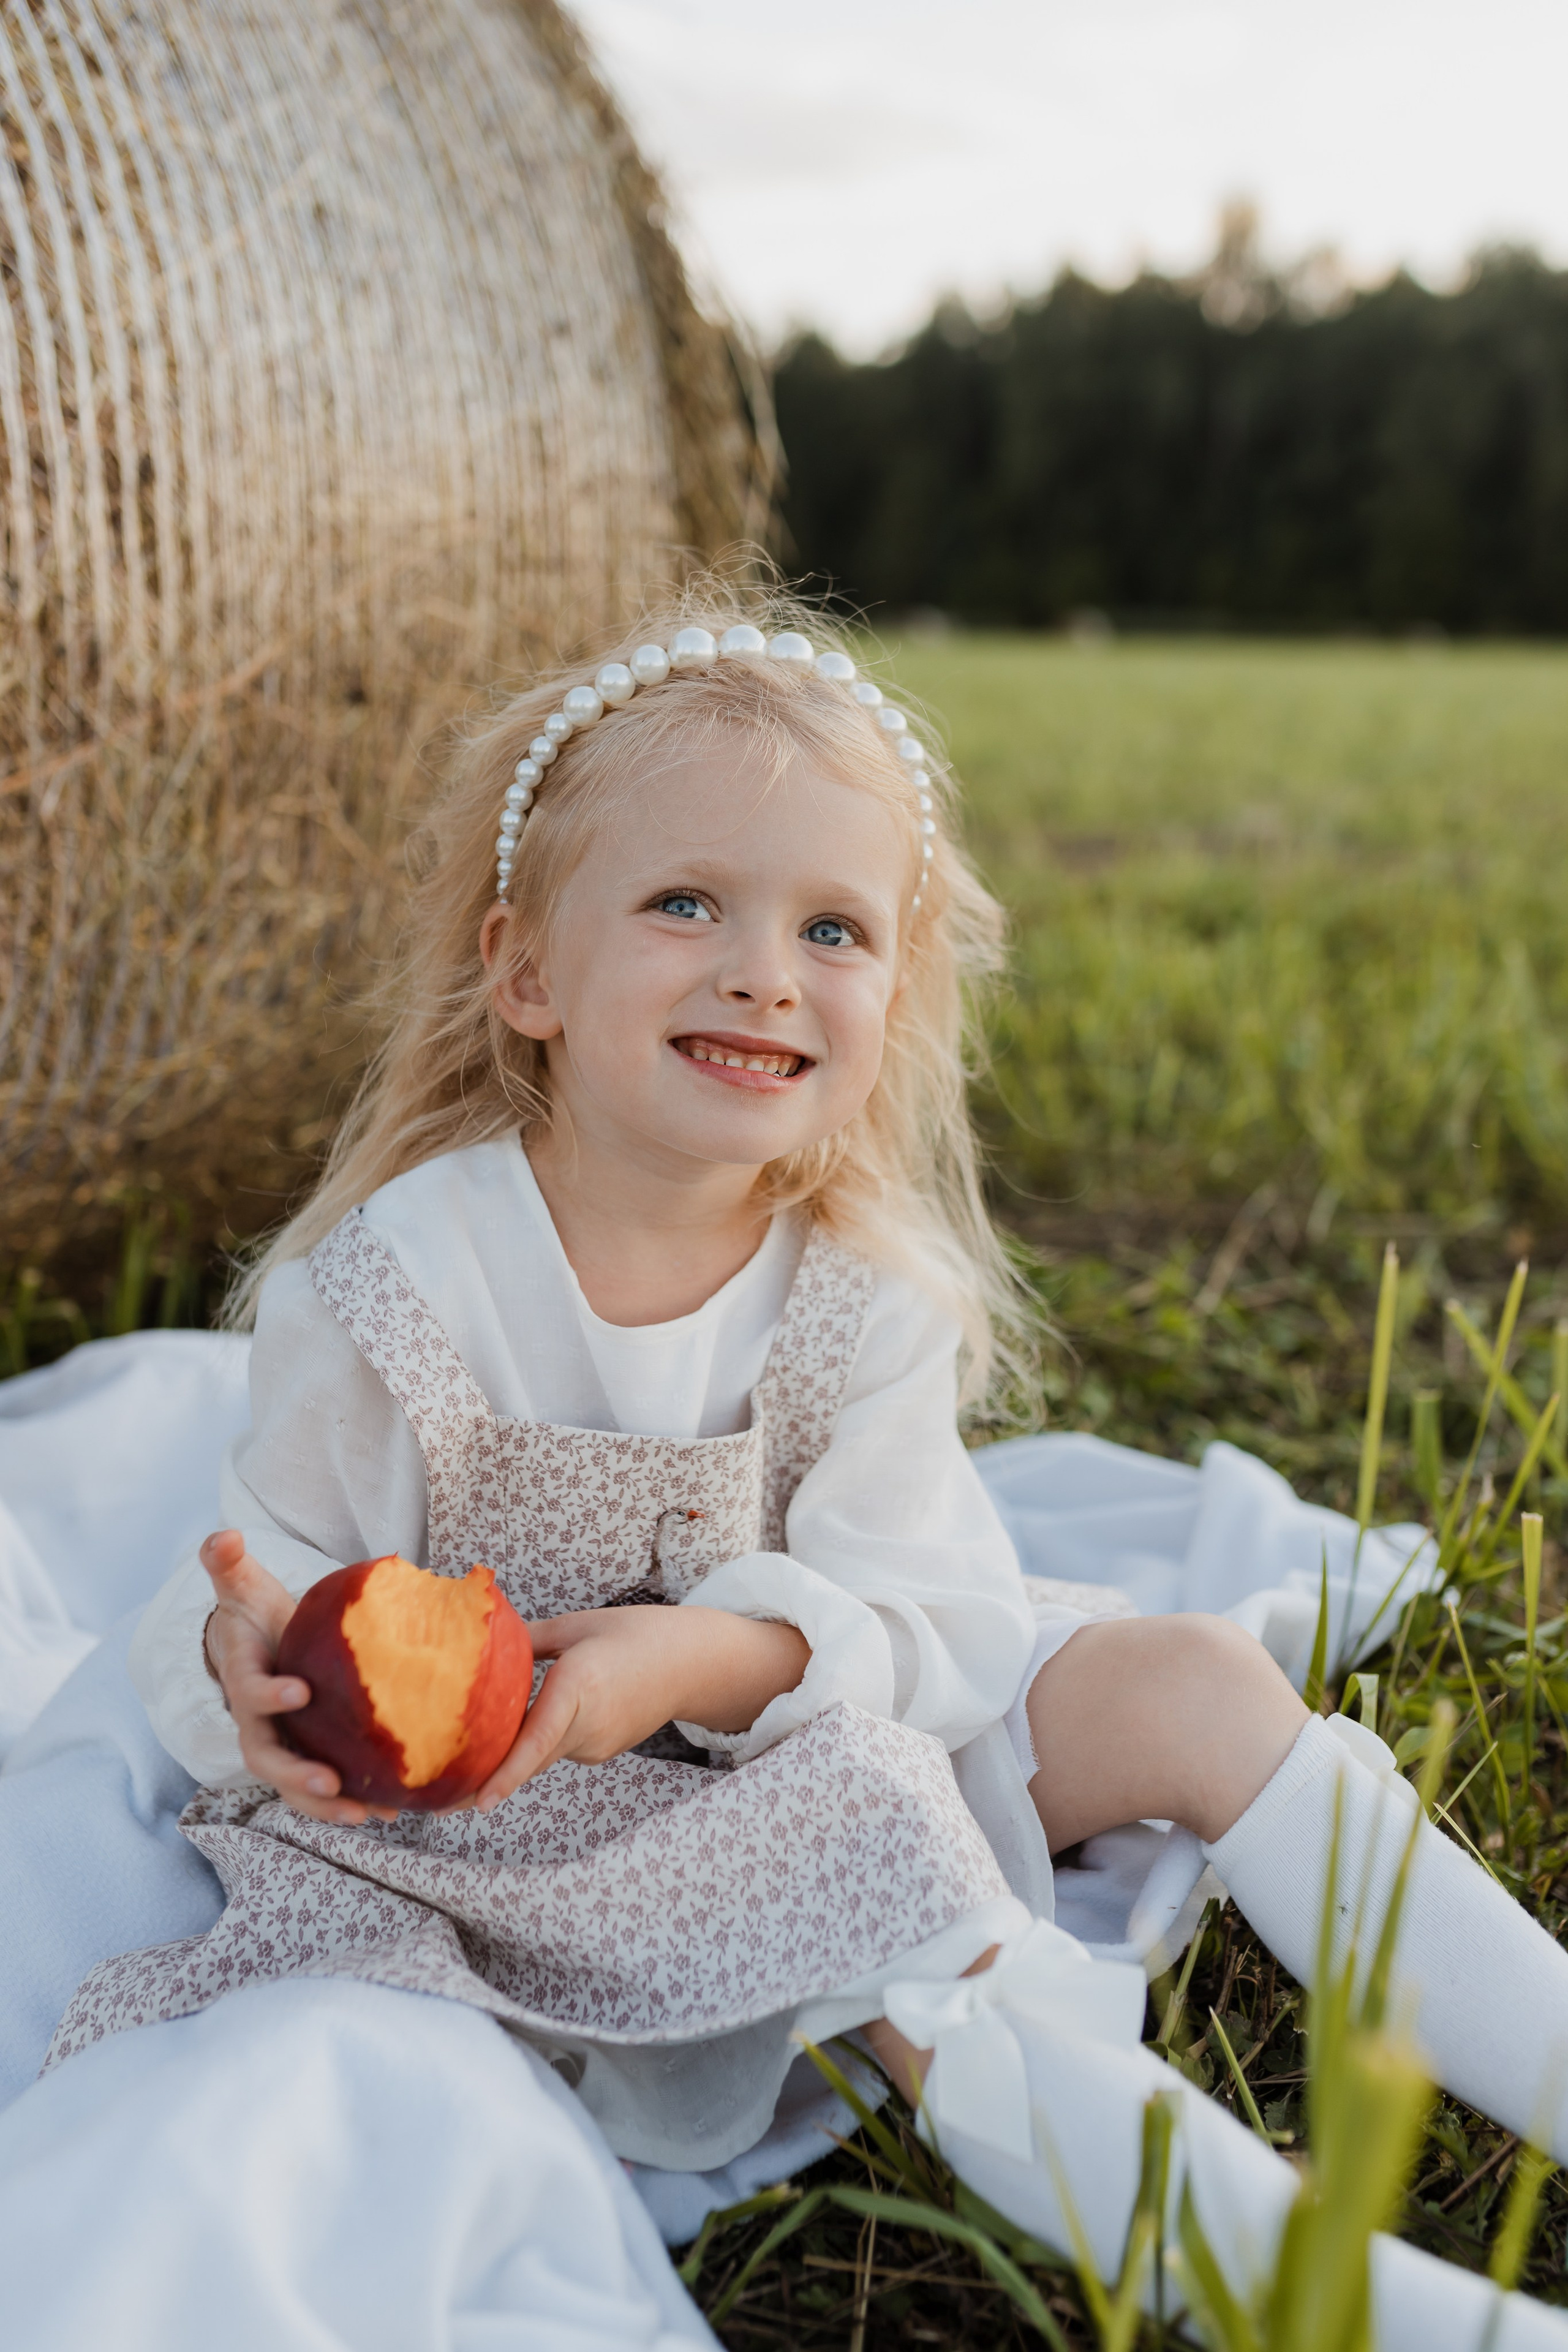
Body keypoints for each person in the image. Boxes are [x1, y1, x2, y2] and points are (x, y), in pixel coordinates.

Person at [65, 586, 1568, 2345]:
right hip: (515, 1829)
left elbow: (940, 1626)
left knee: (1192, 1681)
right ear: (525, 971)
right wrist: (251, 1673)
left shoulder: (860, 1299)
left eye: (833, 929)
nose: (764, 970)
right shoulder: (394, 1289)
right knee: (875, 1841)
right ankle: (1372, 2315)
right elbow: (269, 1590)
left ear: (888, 1000)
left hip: (807, 1703)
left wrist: (708, 1657)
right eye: (685, 903)